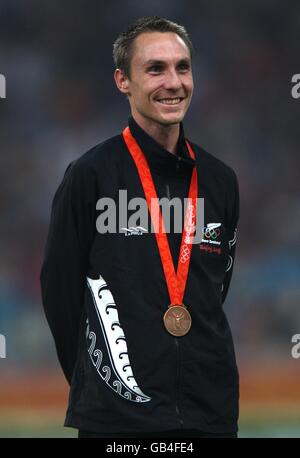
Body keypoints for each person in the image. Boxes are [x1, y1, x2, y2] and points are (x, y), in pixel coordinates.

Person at [40, 16, 240, 438]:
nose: (174, 82)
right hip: (117, 422)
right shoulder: (89, 176)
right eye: (155, 69)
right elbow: (60, 295)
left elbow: (214, 288)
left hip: (210, 416)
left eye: (182, 67)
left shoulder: (220, 180)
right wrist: (102, 385)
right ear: (122, 81)